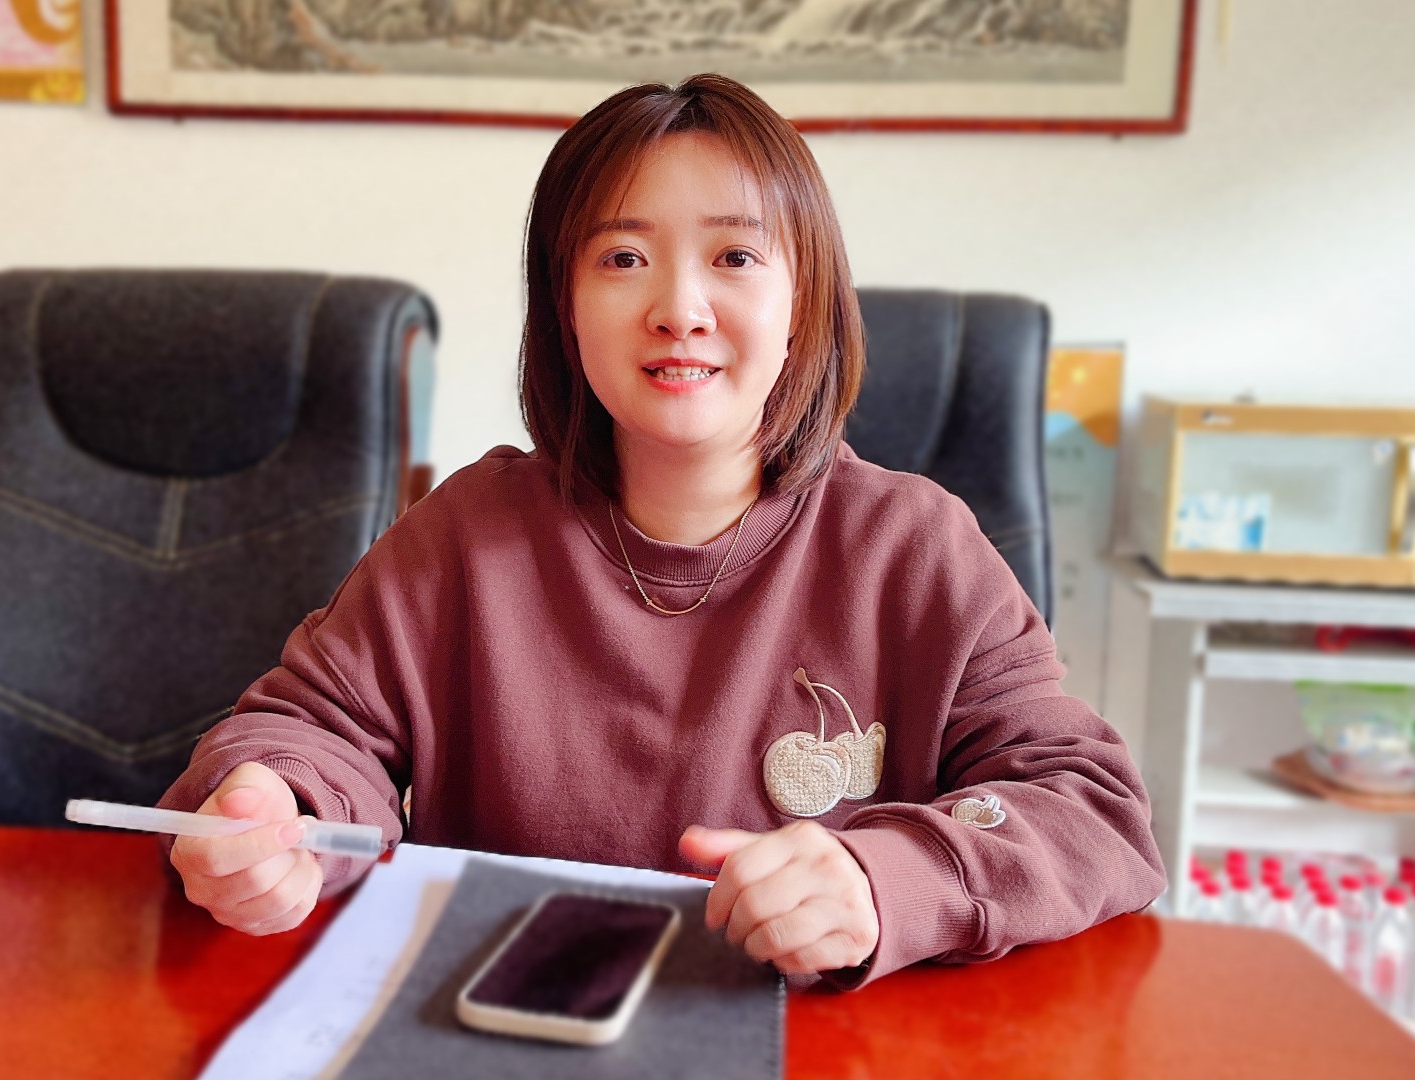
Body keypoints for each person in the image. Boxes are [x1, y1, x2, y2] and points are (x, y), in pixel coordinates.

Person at [160, 73, 1164, 987]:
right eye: (624, 258)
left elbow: (1090, 809)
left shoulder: (915, 547)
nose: (679, 308)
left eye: (735, 256)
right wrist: (278, 809)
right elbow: (305, 734)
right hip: (503, 1028)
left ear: (802, 300)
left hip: (810, 1041)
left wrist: (883, 879)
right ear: (565, 307)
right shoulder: (466, 535)